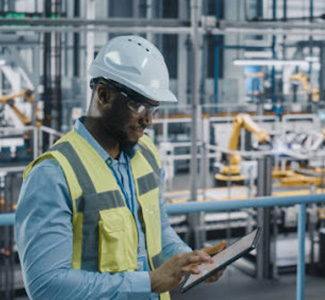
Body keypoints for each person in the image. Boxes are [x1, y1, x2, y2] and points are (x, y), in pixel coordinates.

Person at [15, 35, 226, 300]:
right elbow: (47, 286)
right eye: (138, 105)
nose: (148, 120)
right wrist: (148, 281)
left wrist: (189, 259)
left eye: (154, 108)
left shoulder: (147, 154)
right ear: (103, 94)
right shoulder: (53, 174)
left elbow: (158, 231)